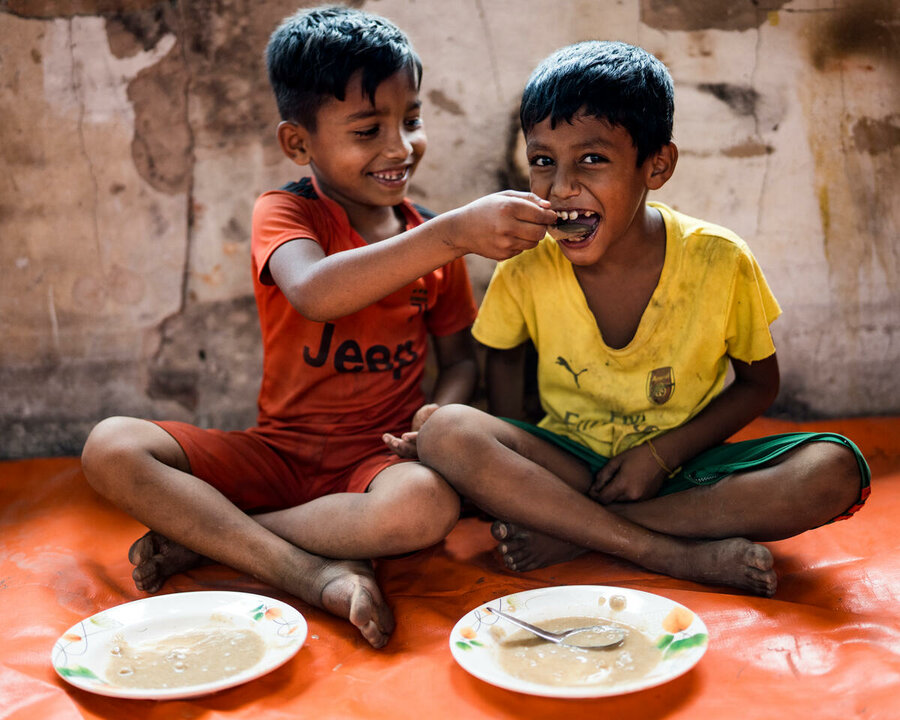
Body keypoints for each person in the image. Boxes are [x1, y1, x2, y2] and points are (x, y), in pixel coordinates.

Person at [81, 5, 556, 649]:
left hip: (376, 462)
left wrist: (433, 422)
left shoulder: (430, 242)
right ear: (299, 144)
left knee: (427, 506)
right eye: (368, 129)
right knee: (110, 446)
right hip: (279, 452)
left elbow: (461, 361)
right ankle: (310, 573)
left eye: (411, 120)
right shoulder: (288, 211)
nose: (399, 147)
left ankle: (218, 534)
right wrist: (454, 234)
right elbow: (313, 292)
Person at [417, 41, 870, 597]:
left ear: (658, 165)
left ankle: (575, 531)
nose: (560, 188)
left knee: (835, 467)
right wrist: (520, 458)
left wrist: (659, 456)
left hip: (685, 470)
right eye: (543, 161)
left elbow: (758, 385)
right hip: (571, 464)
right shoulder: (525, 263)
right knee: (442, 430)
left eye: (592, 159)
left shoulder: (719, 259)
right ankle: (672, 553)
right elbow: (503, 366)